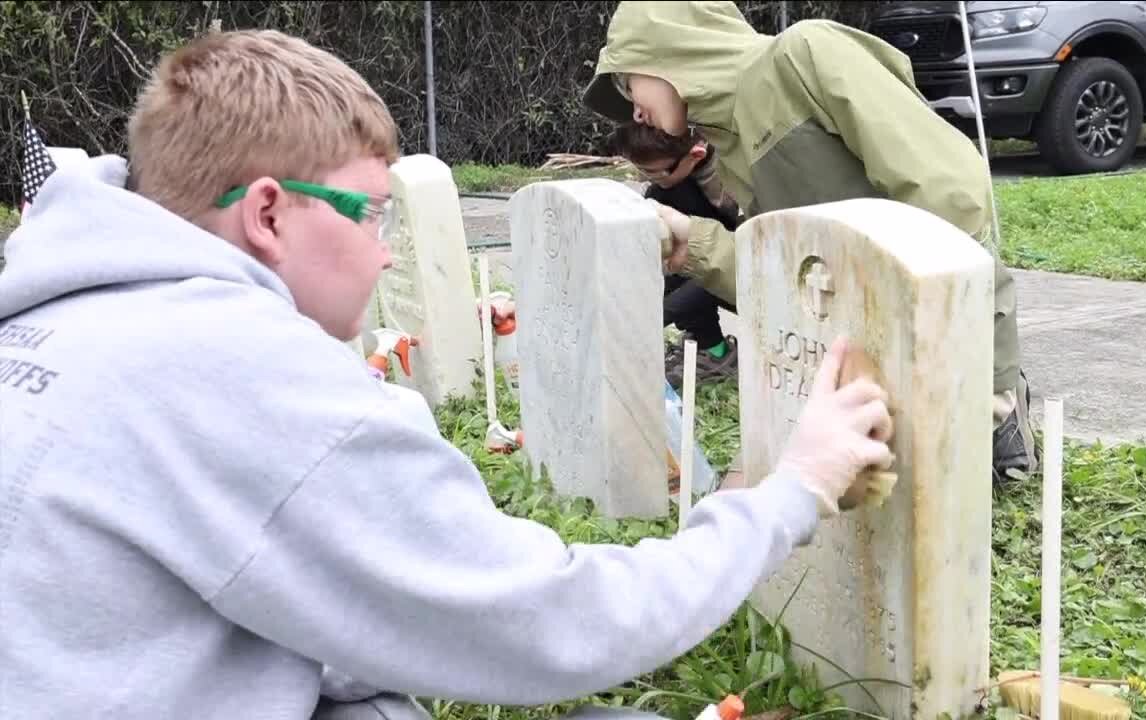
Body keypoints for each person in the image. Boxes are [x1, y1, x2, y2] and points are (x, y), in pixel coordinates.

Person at [0, 28, 896, 719]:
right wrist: (796, 487)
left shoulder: (61, 312)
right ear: (269, 213)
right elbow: (561, 628)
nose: (387, 258)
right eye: (371, 217)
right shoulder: (244, 376)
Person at [582, 1, 1039, 485]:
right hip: (863, 344)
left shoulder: (803, 55)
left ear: (670, 46)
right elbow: (791, 283)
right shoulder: (732, 143)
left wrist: (921, 354)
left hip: (936, 332)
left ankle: (1002, 405)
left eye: (627, 80)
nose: (632, 105)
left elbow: (951, 195)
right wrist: (690, 242)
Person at [611, 121, 740, 389]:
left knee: (693, 258)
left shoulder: (740, 173)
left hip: (756, 273)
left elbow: (734, 263)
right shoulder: (674, 183)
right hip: (719, 248)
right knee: (665, 226)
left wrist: (650, 319)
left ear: (696, 155)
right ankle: (713, 351)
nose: (648, 180)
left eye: (654, 172)